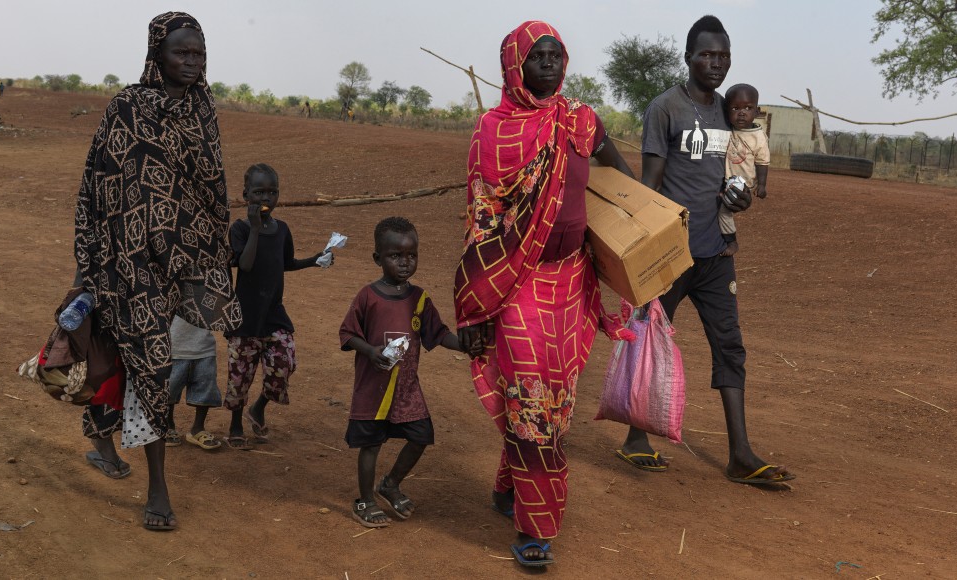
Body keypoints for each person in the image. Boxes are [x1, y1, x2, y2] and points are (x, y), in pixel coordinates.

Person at [454, 21, 635, 568]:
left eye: (557, 55)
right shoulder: (492, 130)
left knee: (554, 403)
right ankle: (536, 529)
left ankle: (509, 484)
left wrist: (635, 224)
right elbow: (483, 218)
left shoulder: (579, 119)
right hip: (518, 282)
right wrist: (479, 301)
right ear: (515, 66)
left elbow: (620, 177)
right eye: (539, 57)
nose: (551, 65)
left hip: (574, 283)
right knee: (533, 401)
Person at [74, 12, 241, 531]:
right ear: (157, 54)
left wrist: (216, 246)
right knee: (149, 359)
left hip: (183, 257)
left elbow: (211, 182)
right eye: (182, 53)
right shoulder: (127, 106)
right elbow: (96, 182)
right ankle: (158, 488)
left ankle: (101, 436)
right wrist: (89, 259)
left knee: (136, 354)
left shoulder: (202, 108)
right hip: (126, 258)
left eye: (199, 54)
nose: (191, 62)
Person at [615, 15, 794, 486]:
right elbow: (649, 184)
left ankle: (740, 454)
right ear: (688, 57)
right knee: (651, 339)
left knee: (729, 346)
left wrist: (740, 198)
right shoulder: (665, 109)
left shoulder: (731, 112)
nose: (715, 64)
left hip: (715, 254)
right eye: (706, 55)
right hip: (669, 256)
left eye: (723, 57)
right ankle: (635, 438)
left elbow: (736, 180)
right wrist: (639, 251)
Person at [339, 217, 463, 528]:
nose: (405, 262)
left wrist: (466, 345)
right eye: (396, 256)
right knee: (371, 444)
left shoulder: (420, 299)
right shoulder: (368, 297)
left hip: (406, 388)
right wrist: (370, 351)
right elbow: (347, 333)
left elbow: (439, 334)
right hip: (373, 388)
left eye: (411, 255)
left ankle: (391, 483)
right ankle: (365, 500)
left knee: (421, 436)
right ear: (378, 258)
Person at [223, 163, 332, 449]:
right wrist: (256, 231)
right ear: (246, 194)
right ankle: (235, 424)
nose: (266, 198)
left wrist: (315, 259)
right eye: (259, 192)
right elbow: (243, 265)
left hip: (274, 315)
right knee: (240, 375)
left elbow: (286, 264)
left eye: (272, 192)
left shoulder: (282, 229)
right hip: (244, 318)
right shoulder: (240, 229)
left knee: (284, 363)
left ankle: (258, 408)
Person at [718, 83, 770, 257]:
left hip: (740, 183)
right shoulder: (728, 128)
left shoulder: (758, 137)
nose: (742, 112)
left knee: (724, 211)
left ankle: (731, 242)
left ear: (757, 111)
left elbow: (762, 161)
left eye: (748, 108)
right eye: (735, 108)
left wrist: (761, 185)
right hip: (723, 178)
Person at [165, 316, 222, 451]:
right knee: (168, 388)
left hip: (204, 346)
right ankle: (168, 425)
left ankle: (198, 428)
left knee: (206, 386)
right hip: (172, 345)